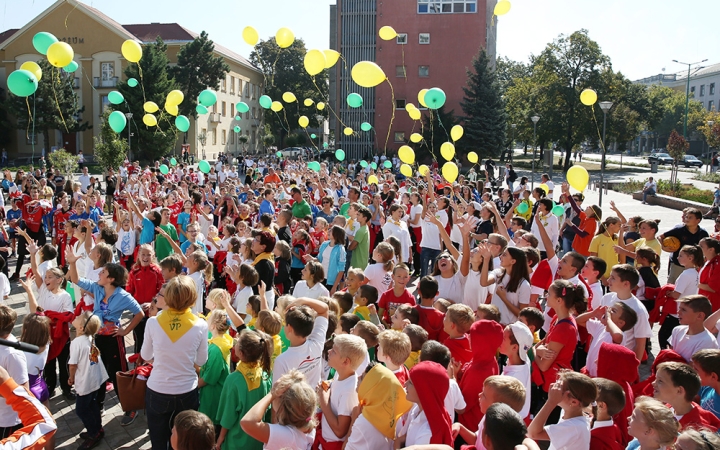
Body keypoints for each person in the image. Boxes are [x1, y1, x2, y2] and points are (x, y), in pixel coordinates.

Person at [140, 276, 209, 448]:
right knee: (185, 442)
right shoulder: (200, 324)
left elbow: (145, 354)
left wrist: (162, 362)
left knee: (158, 440)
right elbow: (201, 360)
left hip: (158, 389)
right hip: (187, 390)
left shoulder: (153, 322)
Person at [216, 329, 273, 450]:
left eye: (237, 342)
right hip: (257, 439)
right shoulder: (265, 375)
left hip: (236, 442)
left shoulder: (233, 380)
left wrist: (220, 438)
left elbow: (228, 416)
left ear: (240, 353)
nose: (235, 341)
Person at [240, 370, 318, 448]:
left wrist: (272, 394)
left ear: (283, 407)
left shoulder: (286, 435)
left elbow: (247, 422)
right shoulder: (307, 429)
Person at [68, 311, 108, 450]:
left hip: (85, 381)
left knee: (82, 410)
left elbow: (73, 364)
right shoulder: (89, 337)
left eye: (79, 317)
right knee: (92, 405)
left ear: (81, 328)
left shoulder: (76, 343)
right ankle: (98, 429)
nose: (76, 316)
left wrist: (71, 377)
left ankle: (93, 433)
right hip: (95, 379)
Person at [528, 370, 597, 450]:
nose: (553, 387)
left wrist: (551, 402)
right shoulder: (569, 412)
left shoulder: (574, 427)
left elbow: (532, 433)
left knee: (525, 443)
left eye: (559, 388)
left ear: (574, 402)